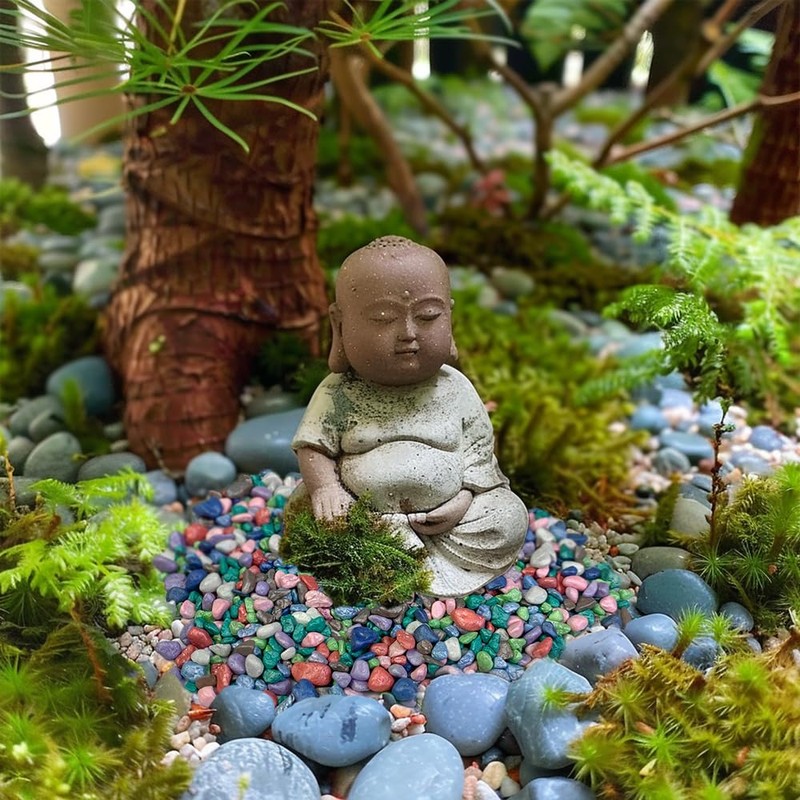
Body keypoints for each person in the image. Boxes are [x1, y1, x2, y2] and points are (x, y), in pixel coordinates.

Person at [291, 236, 528, 596]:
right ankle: (390, 555)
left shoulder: (455, 388)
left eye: (428, 316)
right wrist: (327, 489)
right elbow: (313, 447)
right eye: (383, 318)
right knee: (311, 515)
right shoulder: (339, 391)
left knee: (507, 516)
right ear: (339, 325)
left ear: (450, 318)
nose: (408, 334)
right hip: (364, 516)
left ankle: (402, 563)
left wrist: (463, 501)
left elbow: (478, 454)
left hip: (451, 522)